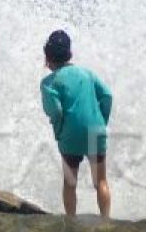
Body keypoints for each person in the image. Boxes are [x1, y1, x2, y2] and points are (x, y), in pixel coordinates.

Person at [40, 29, 113, 217]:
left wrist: (59, 128)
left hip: (70, 135)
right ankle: (107, 222)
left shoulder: (49, 83)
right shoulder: (87, 73)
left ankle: (71, 222)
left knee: (70, 183)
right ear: (69, 54)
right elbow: (107, 96)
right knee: (101, 182)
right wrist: (102, 122)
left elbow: (55, 111)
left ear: (47, 56)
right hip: (95, 132)